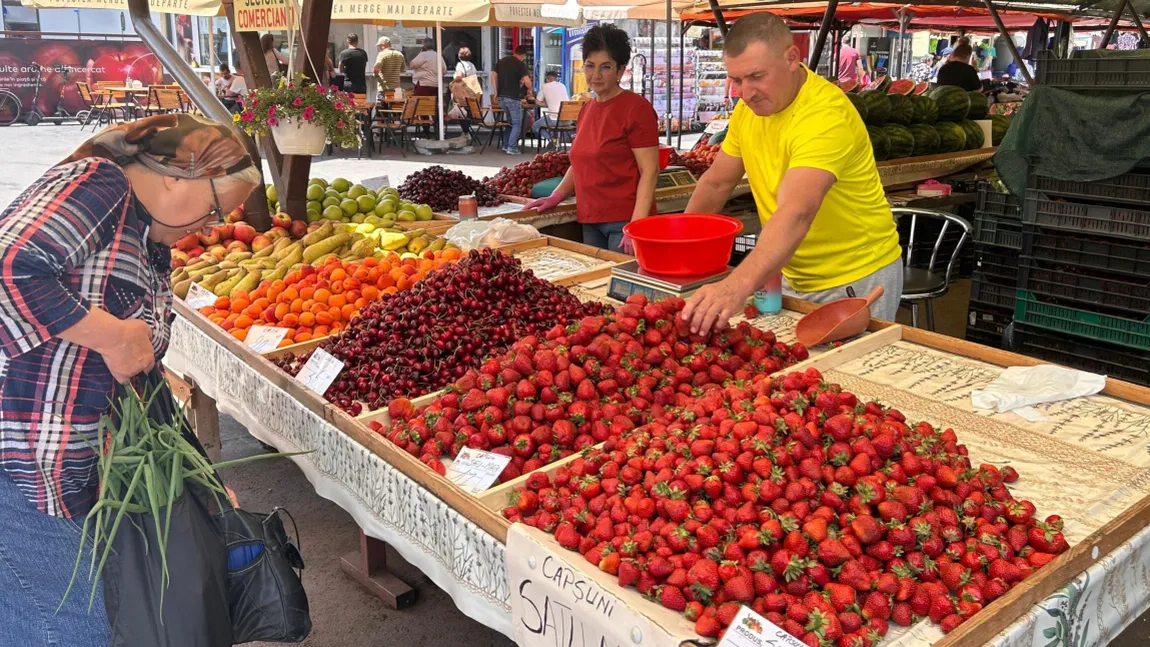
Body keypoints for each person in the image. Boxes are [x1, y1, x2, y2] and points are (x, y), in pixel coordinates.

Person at [0, 113, 260, 647]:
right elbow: (9, 266)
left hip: (80, 466)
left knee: (99, 618)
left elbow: (137, 366)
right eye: (215, 208)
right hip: (25, 466)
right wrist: (111, 335)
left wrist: (198, 476)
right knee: (69, 627)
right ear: (177, 175)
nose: (210, 227)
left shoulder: (144, 233)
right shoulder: (100, 184)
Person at [678, 13, 903, 335]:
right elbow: (716, 182)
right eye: (736, 80)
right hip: (790, 272)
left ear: (792, 58)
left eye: (756, 76)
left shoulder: (824, 115)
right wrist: (678, 247)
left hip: (854, 277)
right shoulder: (747, 111)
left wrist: (736, 285)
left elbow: (797, 210)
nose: (746, 93)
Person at [522, 25, 659, 253]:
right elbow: (581, 162)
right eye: (589, 65)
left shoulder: (636, 109)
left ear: (620, 70)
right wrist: (556, 196)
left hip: (624, 222)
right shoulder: (587, 109)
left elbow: (650, 171)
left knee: (620, 276)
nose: (596, 75)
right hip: (590, 218)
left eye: (605, 67)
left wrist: (636, 226)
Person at [492, 45, 534, 155]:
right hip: (513, 98)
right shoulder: (520, 64)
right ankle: (511, 147)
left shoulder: (501, 61)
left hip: (501, 98)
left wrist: (496, 92)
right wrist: (530, 89)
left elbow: (493, 75)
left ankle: (506, 145)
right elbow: (527, 81)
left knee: (510, 123)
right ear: (523, 55)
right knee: (517, 123)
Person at [533, 70, 570, 145]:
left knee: (535, 126)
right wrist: (551, 103)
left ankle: (551, 140)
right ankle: (555, 141)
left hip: (555, 120)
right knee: (552, 121)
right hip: (568, 120)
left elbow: (538, 102)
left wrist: (548, 104)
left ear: (547, 79)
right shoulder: (562, 86)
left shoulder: (545, 86)